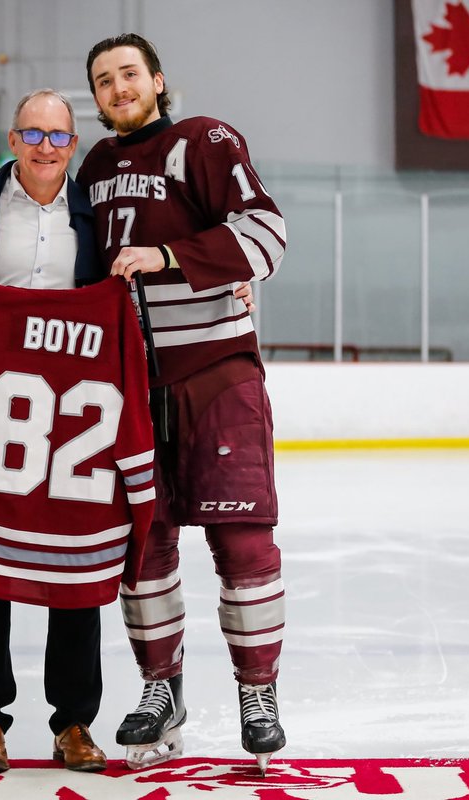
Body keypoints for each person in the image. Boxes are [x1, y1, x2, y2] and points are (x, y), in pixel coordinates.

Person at [77, 34, 289, 774]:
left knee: (243, 542)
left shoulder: (203, 139)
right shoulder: (96, 166)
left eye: (129, 74)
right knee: (145, 545)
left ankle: (258, 694)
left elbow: (266, 232)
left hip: (216, 375)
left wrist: (170, 258)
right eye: (104, 81)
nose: (118, 88)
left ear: (158, 80)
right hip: (133, 385)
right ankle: (161, 688)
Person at [0, 89, 109, 773]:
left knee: (76, 569)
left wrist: (228, 284)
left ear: (73, 144)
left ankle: (73, 723)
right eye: (32, 134)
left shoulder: (97, 217)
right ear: (12, 139)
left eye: (58, 136)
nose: (44, 147)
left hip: (71, 419)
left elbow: (133, 286)